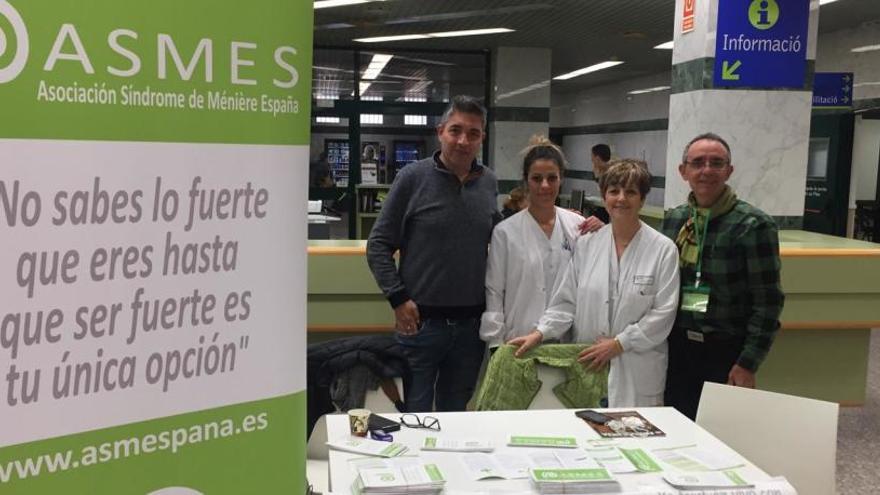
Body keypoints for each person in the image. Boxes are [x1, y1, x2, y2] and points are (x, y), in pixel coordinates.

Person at [366, 95, 501, 412]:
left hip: (470, 328)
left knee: (456, 415)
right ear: (440, 132)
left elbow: (504, 235)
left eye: (473, 133)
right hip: (421, 325)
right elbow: (378, 245)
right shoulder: (412, 179)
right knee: (415, 414)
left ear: (482, 138)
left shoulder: (489, 182)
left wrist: (574, 224)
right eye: (456, 130)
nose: (463, 140)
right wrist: (398, 299)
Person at [509, 159, 680, 407]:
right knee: (588, 435)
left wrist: (620, 344)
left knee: (633, 437)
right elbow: (566, 302)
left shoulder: (663, 249)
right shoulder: (588, 245)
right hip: (588, 364)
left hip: (636, 368)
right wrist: (540, 332)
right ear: (603, 197)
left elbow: (663, 313)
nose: (621, 198)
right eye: (614, 191)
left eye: (631, 192)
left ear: (642, 199)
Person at [662, 132, 784, 420]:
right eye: (698, 162)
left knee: (720, 433)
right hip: (677, 348)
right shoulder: (676, 220)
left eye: (716, 163)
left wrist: (748, 363)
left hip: (726, 351)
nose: (706, 170)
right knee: (675, 427)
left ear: (729, 171)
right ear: (684, 171)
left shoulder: (753, 225)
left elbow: (768, 302)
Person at [480, 136, 585, 350]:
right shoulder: (505, 232)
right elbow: (494, 291)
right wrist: (495, 343)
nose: (544, 186)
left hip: (565, 341)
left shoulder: (577, 227)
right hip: (516, 339)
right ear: (526, 180)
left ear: (561, 179)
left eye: (552, 178)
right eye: (537, 178)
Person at [588, 144, 611, 224]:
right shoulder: (601, 170)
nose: (591, 160)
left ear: (597, 158)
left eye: (592, 157)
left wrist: (597, 174)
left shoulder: (612, 171)